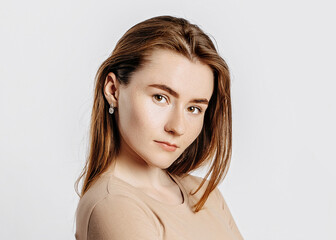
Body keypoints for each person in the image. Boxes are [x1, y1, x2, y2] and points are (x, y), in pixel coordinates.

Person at [75, 15, 244, 240]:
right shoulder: (113, 204)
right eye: (160, 97)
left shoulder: (204, 193)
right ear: (113, 90)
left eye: (194, 108)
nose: (178, 127)